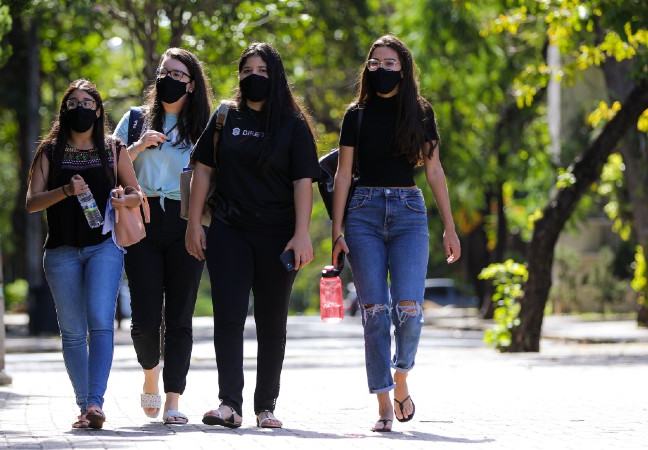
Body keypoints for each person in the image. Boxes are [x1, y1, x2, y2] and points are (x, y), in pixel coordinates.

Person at [330, 35, 461, 433]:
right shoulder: (356, 114)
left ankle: (401, 375)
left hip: (408, 213)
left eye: (390, 63)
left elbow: (434, 171)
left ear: (403, 69)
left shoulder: (420, 113)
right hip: (363, 214)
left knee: (409, 310)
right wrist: (336, 231)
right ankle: (384, 400)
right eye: (375, 63)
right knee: (375, 314)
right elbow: (341, 174)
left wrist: (450, 227)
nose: (381, 70)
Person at [185, 42, 320, 429]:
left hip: (279, 235)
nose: (253, 77)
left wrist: (302, 235)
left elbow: (302, 183)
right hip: (229, 230)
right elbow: (203, 171)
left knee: (271, 321)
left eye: (262, 70)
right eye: (247, 70)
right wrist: (194, 224)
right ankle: (229, 404)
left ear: (275, 76)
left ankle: (266, 407)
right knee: (228, 317)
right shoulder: (225, 116)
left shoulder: (293, 124)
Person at [25, 79, 142, 430]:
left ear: (99, 109)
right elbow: (32, 202)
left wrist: (125, 199)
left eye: (88, 102)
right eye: (73, 102)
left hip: (103, 247)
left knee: (100, 322)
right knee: (73, 332)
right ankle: (84, 406)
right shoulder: (50, 151)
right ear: (64, 109)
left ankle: (96, 403)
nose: (81, 108)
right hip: (60, 253)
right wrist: (65, 190)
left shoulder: (113, 148)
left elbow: (137, 194)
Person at [112, 48, 213, 425]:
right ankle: (150, 374)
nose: (168, 79)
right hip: (143, 219)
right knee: (144, 315)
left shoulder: (204, 126)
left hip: (187, 220)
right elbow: (111, 163)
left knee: (181, 316)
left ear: (191, 85)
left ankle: (173, 399)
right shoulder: (135, 120)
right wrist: (138, 147)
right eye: (164, 72)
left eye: (178, 74)